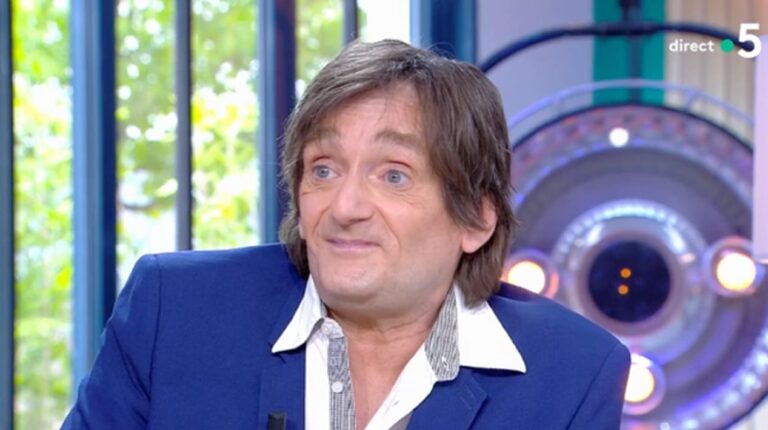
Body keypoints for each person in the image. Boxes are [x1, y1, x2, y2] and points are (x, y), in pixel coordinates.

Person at [62, 40, 629, 430]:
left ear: (476, 219)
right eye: (324, 169)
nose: (345, 207)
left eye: (393, 175)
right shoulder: (174, 312)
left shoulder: (572, 372)